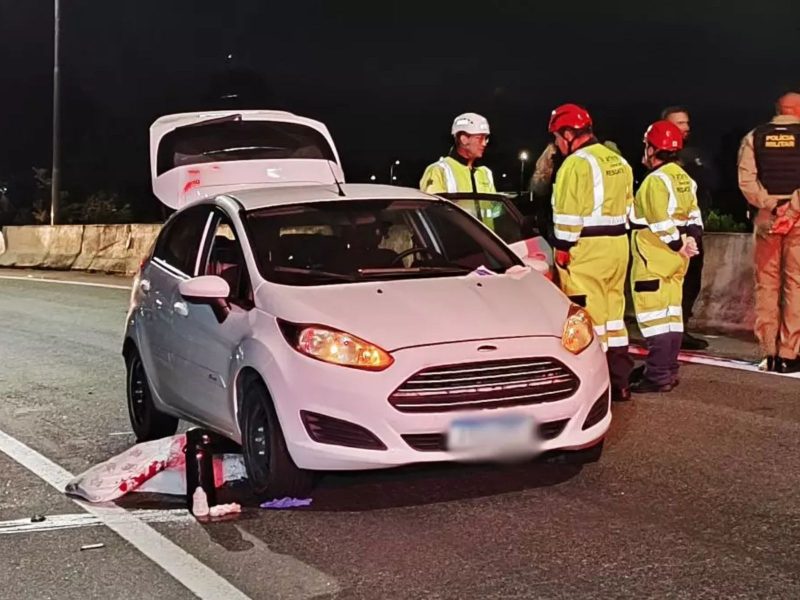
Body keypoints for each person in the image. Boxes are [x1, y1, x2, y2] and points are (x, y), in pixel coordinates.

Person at [548, 103, 634, 401]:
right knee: (614, 317)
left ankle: (595, 387)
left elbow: (568, 218)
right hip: (618, 246)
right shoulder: (619, 162)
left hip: (588, 250)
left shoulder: (574, 164)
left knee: (588, 318)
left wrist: (561, 249)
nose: (557, 145)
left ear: (569, 133)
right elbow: (629, 208)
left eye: (558, 138)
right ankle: (620, 380)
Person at [629, 121, 702, 393]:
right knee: (672, 316)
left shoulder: (654, 181)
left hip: (654, 259)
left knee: (654, 318)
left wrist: (675, 244)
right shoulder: (683, 177)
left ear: (653, 148)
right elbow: (695, 215)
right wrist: (690, 241)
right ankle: (668, 370)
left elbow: (658, 221)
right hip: (676, 261)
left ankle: (657, 376)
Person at [737, 92, 800, 373]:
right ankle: (790, 352)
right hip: (798, 219)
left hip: (766, 219)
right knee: (796, 285)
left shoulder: (755, 136)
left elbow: (746, 180)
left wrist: (771, 205)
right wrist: (792, 207)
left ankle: (768, 353)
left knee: (766, 285)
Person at [661, 105, 719, 350]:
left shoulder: (693, 154)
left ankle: (681, 329)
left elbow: (712, 180)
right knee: (671, 283)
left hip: (692, 229)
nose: (684, 128)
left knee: (692, 281)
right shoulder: (658, 157)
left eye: (686, 123)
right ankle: (666, 334)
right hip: (669, 233)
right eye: (679, 123)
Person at [420, 112, 498, 228]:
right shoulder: (439, 170)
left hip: (488, 243)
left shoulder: (485, 173)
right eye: (480, 138)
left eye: (486, 138)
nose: (484, 143)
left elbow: (496, 211)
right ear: (464, 139)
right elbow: (433, 215)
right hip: (455, 243)